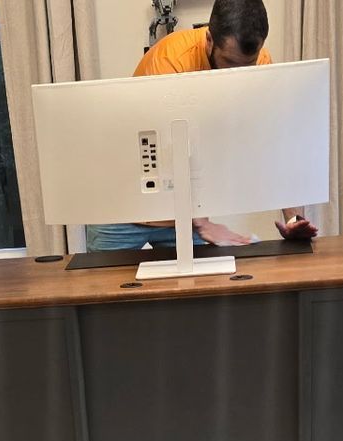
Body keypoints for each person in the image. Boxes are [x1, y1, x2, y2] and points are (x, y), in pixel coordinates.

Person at [85, 0, 320, 254]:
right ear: (209, 40)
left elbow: (275, 141)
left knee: (200, 291)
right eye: (230, 62)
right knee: (102, 290)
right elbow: (167, 150)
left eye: (247, 65)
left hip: (186, 211)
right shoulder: (170, 62)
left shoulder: (260, 62)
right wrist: (202, 222)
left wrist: (294, 220)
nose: (238, 76)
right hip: (125, 205)